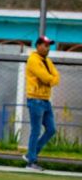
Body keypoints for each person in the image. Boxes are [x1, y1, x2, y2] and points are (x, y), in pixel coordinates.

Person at [24, 35, 60, 172]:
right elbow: (46, 78)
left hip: (45, 99)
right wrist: (51, 79)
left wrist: (51, 79)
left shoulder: (47, 61)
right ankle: (31, 162)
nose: (47, 48)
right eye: (44, 45)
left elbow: (56, 78)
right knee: (36, 130)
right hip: (35, 99)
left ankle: (30, 154)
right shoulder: (33, 60)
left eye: (48, 46)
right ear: (37, 46)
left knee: (51, 129)